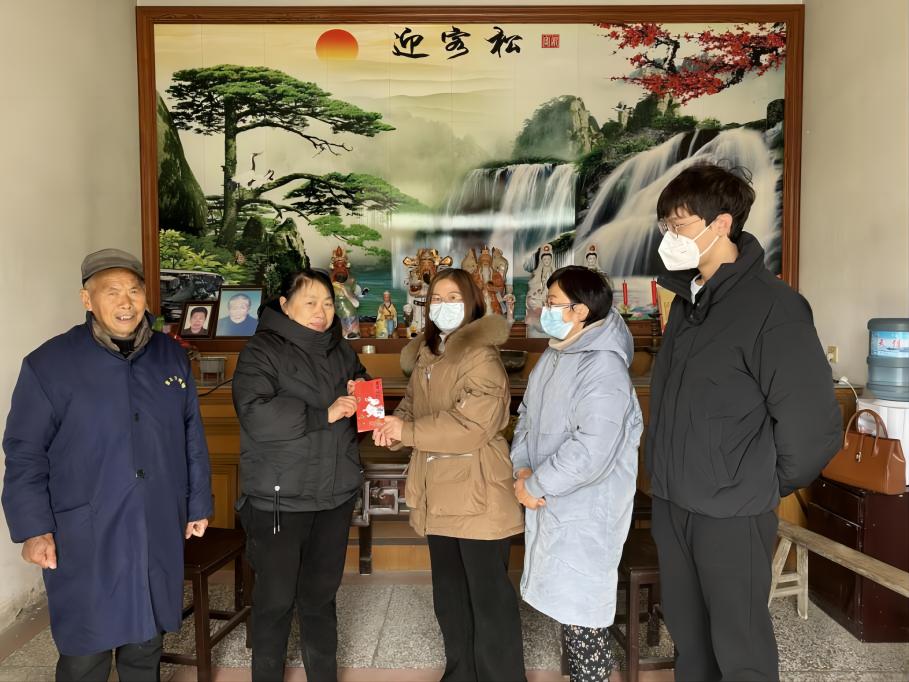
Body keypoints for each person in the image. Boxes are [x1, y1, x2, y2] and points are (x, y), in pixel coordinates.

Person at [647, 164, 842, 681]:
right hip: (673, 501)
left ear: (721, 224)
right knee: (690, 641)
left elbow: (813, 428)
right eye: (666, 226)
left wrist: (755, 481)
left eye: (679, 225)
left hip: (731, 511)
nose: (669, 237)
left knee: (740, 646)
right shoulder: (687, 302)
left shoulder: (774, 307)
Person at [2, 248, 212, 682]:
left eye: (134, 291)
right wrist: (34, 529)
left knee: (146, 645)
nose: (126, 302)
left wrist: (197, 503)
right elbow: (24, 451)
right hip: (86, 530)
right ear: (87, 300)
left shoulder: (170, 357)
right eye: (112, 291)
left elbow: (191, 433)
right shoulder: (49, 364)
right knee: (86, 652)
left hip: (155, 520)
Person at [373, 268, 526, 682]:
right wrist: (393, 428)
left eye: (454, 297)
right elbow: (412, 406)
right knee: (451, 597)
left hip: (477, 494)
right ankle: (460, 674)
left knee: (488, 601)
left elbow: (472, 425)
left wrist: (408, 432)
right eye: (436, 299)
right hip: (438, 493)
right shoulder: (429, 353)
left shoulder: (481, 356)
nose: (443, 306)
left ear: (473, 303)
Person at [232, 268, 369, 682]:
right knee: (275, 601)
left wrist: (366, 401)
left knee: (320, 597)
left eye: (327, 303)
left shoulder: (340, 349)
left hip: (334, 495)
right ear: (285, 305)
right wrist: (323, 413)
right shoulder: (261, 350)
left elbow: (362, 396)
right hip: (280, 499)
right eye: (310, 302)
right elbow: (255, 413)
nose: (321, 312)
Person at [511, 265, 642, 682]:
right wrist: (522, 467)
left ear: (580, 311)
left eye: (551, 303)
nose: (543, 309)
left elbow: (591, 450)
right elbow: (527, 417)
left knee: (584, 621)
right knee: (572, 617)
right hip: (551, 502)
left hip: (586, 513)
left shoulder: (604, 368)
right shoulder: (555, 354)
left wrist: (535, 484)